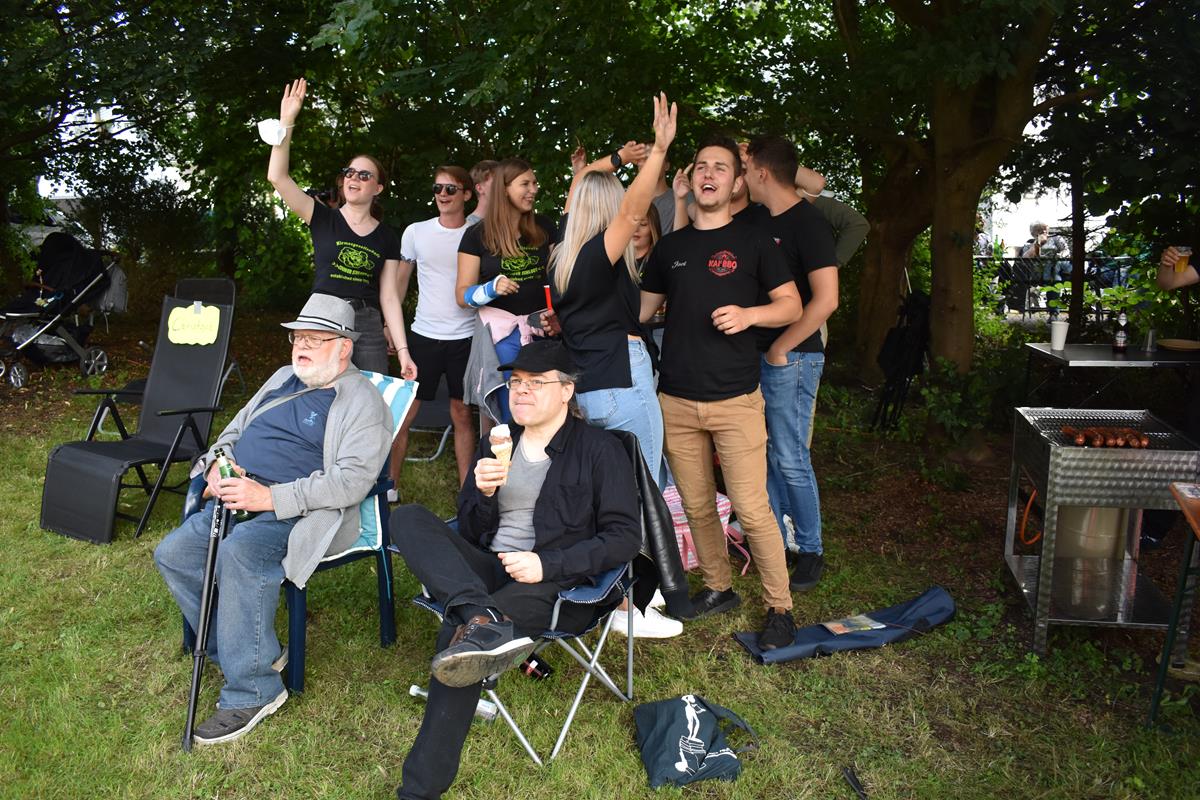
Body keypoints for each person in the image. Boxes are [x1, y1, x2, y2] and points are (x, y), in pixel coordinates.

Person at [391, 340, 641, 800]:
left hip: (557, 586)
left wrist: (547, 563)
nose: (520, 392)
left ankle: (419, 792)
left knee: (458, 645)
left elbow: (625, 538)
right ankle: (482, 618)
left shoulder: (601, 450)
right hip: (489, 567)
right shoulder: (497, 439)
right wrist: (481, 493)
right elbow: (469, 528)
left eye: (535, 384)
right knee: (405, 517)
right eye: (515, 383)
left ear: (566, 391)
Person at [153, 294, 392, 744]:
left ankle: (253, 689)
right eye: (297, 338)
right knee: (175, 553)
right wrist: (219, 466)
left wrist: (268, 497)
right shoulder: (285, 377)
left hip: (299, 513)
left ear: (343, 347)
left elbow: (350, 483)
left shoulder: (363, 402)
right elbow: (233, 431)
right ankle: (248, 650)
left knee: (241, 553)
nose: (300, 347)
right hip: (238, 493)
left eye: (313, 340)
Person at [639, 135, 803, 650]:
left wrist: (750, 315)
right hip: (677, 400)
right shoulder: (670, 248)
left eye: (722, 168)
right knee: (695, 503)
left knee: (752, 508)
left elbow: (792, 306)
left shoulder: (757, 242)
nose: (710, 174)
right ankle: (719, 587)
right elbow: (640, 313)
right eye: (701, 166)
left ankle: (780, 606)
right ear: (690, 180)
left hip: (735, 400)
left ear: (736, 183)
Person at [548, 93, 680, 638]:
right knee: (639, 487)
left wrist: (605, 166)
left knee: (602, 492)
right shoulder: (598, 256)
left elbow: (585, 193)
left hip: (589, 383)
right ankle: (631, 605)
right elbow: (631, 211)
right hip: (621, 379)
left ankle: (605, 594)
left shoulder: (561, 252)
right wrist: (658, 152)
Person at [266, 78, 415, 380]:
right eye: (349, 172)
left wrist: (403, 351)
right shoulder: (321, 217)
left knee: (370, 398)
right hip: (323, 316)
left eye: (364, 174)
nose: (354, 178)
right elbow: (277, 177)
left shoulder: (387, 236)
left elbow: (388, 296)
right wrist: (287, 120)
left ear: (378, 188)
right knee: (319, 394)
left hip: (367, 323)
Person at [743, 135, 839, 591]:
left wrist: (781, 346)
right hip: (758, 354)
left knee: (790, 456)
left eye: (747, 169)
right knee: (768, 455)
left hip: (795, 356)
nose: (742, 177)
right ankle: (780, 540)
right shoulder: (759, 219)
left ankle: (811, 549)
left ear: (762, 173)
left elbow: (826, 301)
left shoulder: (810, 224)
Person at [392, 166, 479, 487]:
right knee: (405, 414)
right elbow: (400, 282)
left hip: (466, 337)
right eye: (437, 189)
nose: (442, 195)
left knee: (461, 414)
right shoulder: (416, 231)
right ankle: (390, 487)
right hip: (423, 336)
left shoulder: (478, 232)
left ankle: (468, 492)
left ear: (467, 194)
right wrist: (393, 326)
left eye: (451, 189)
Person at [457, 157, 558, 423]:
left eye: (535, 183)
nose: (533, 190)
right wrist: (490, 289)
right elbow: (462, 295)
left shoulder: (545, 227)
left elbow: (560, 280)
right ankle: (509, 463)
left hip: (542, 331)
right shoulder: (476, 234)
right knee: (510, 411)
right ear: (504, 189)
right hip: (501, 338)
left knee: (545, 407)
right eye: (525, 183)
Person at [467, 160, 498, 225]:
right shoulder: (469, 226)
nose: (502, 186)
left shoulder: (507, 222)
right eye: (496, 182)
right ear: (479, 188)